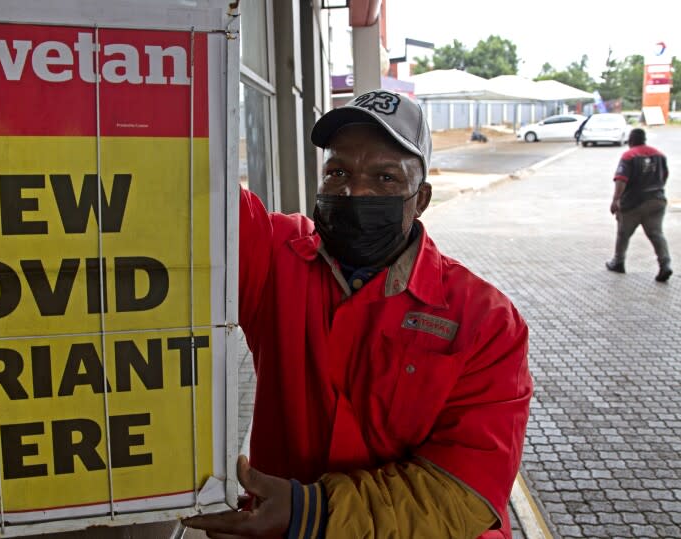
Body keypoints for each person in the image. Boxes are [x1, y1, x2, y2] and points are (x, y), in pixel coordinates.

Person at [183, 90, 532, 538]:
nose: (355, 191)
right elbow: (202, 198)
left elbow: (463, 493)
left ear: (420, 199)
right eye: (338, 172)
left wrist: (313, 512)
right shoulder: (276, 257)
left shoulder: (486, 320)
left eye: (385, 178)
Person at [606, 128, 672, 282]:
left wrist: (616, 200)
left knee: (623, 233)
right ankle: (665, 264)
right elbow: (664, 176)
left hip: (633, 202)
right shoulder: (659, 155)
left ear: (631, 140)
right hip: (657, 200)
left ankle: (618, 261)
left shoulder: (629, 155)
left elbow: (621, 179)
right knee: (656, 234)